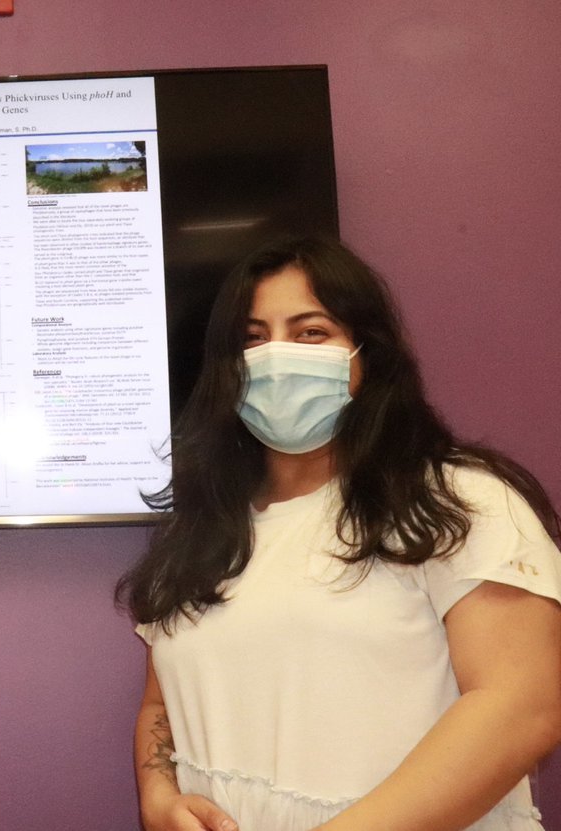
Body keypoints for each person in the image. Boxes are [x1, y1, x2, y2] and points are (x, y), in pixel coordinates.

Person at [116, 235, 561, 831]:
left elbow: (520, 709)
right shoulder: (202, 530)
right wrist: (158, 794)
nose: (276, 356)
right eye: (251, 339)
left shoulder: (458, 500)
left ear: (366, 354)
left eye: (310, 332)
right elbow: (161, 703)